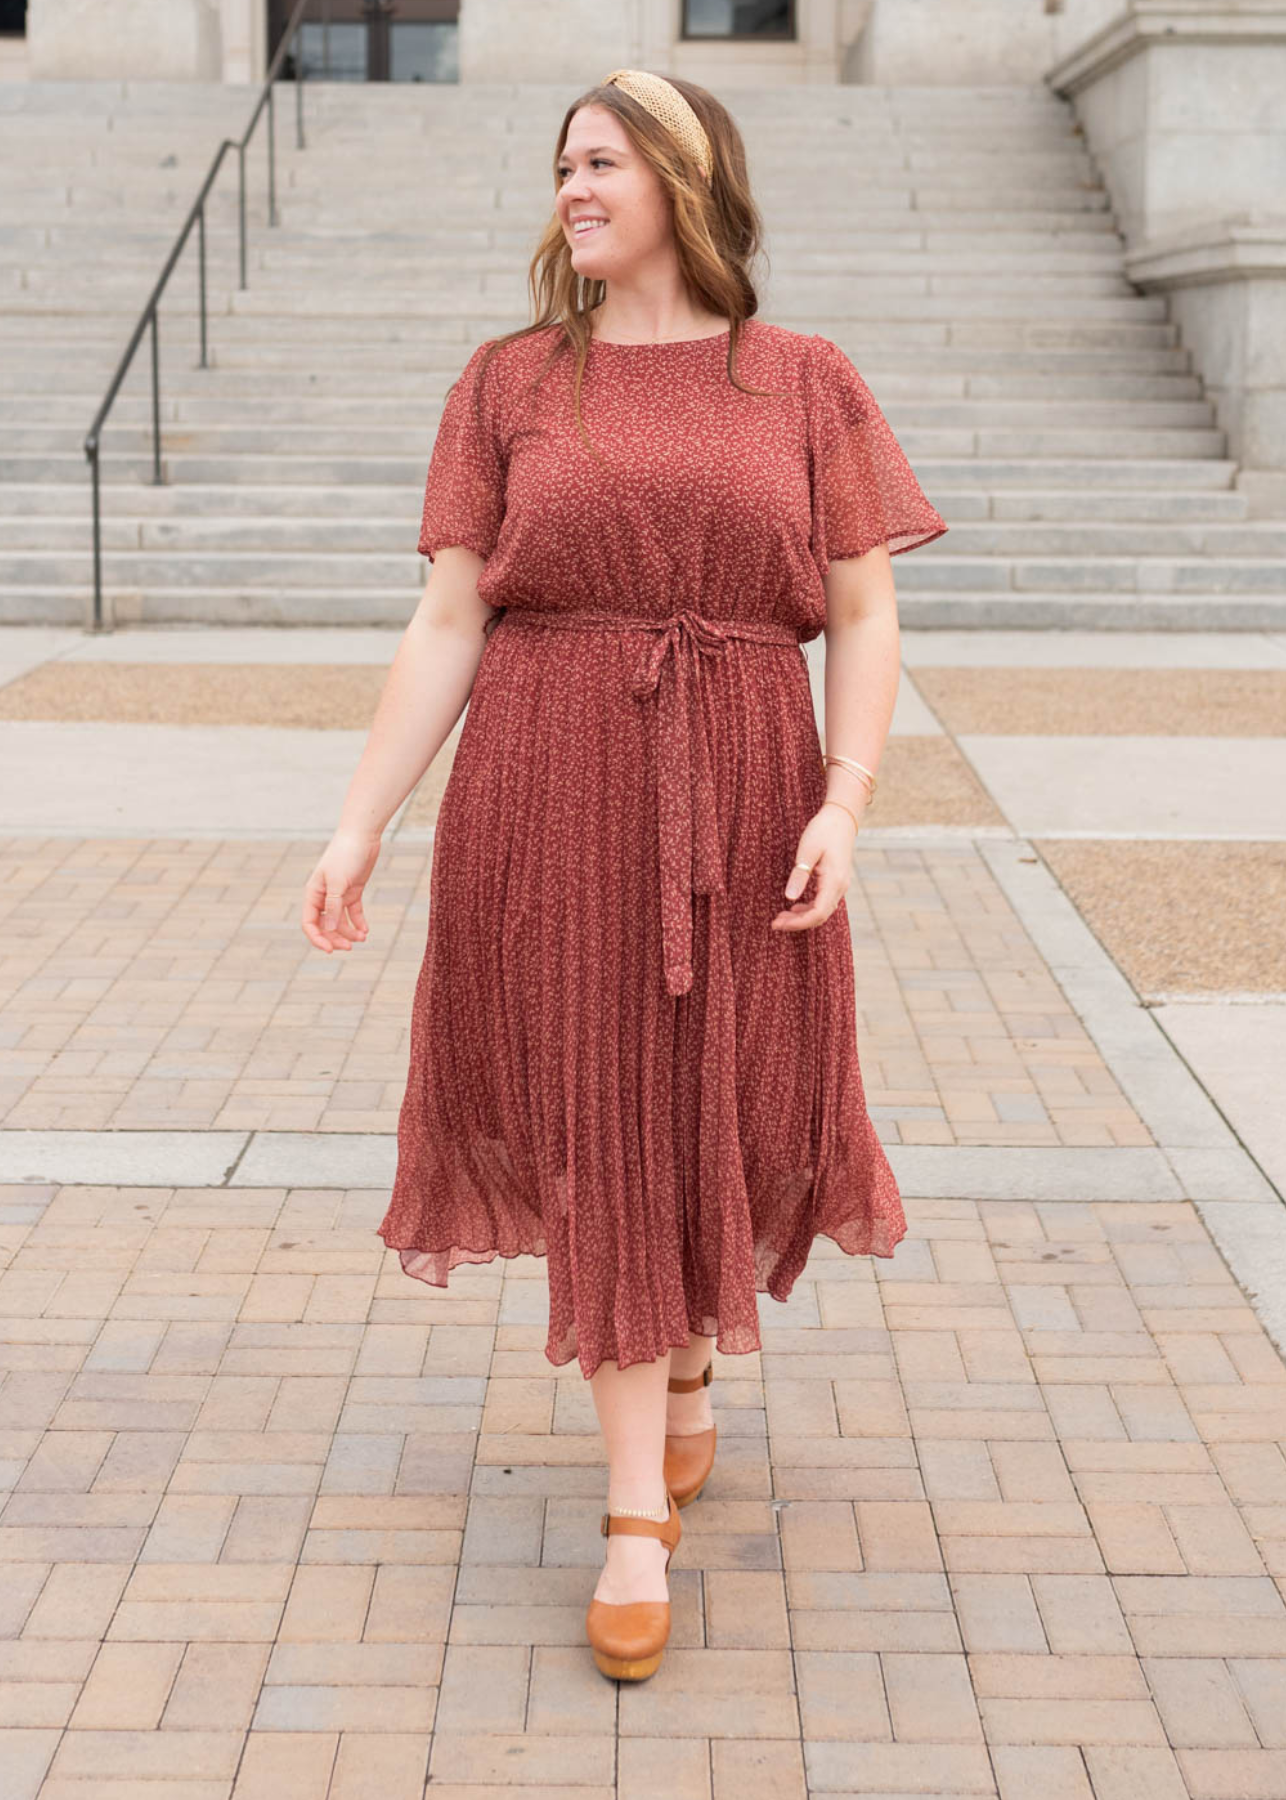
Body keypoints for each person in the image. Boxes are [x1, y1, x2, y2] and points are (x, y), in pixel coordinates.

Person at [300, 68, 948, 1683]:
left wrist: (847, 800)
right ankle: (629, 1525)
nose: (570, 189)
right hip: (546, 783)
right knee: (596, 1104)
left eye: (597, 162)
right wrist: (360, 816)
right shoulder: (511, 380)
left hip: (741, 774)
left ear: (680, 175)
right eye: (559, 167)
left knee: (718, 1093)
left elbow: (862, 614)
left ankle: (684, 1377)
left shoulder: (798, 379)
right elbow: (451, 619)